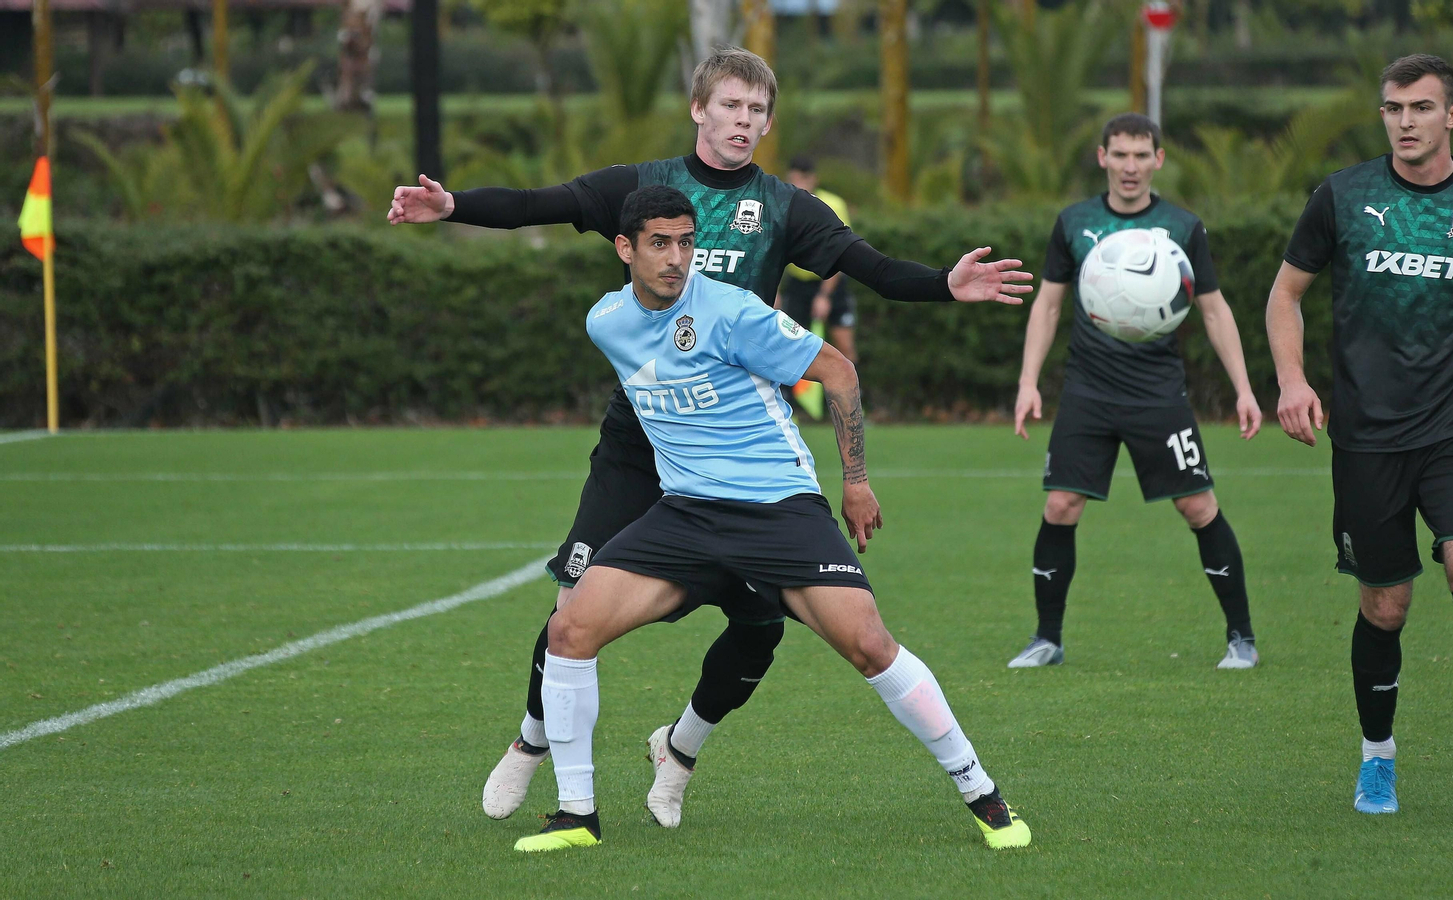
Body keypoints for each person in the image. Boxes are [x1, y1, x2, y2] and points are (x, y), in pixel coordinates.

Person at [387, 47, 1032, 829]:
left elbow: (871, 268)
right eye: (731, 106)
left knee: (761, 624)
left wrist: (944, 283)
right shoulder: (642, 188)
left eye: (758, 112)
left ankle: (680, 751)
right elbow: (540, 203)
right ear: (699, 109)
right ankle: (532, 745)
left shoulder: (785, 207)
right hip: (644, 440)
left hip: (739, 449)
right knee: (573, 609)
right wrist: (453, 206)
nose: (745, 123)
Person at [514, 184, 1032, 853]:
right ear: (625, 248)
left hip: (777, 508)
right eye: (660, 244)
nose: (677, 258)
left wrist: (855, 482)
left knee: (869, 645)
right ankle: (576, 816)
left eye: (687, 242)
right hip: (686, 515)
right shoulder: (605, 322)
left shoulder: (733, 312)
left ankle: (983, 794)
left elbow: (839, 372)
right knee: (569, 628)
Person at [1265, 54, 1453, 821]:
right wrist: (1293, 381)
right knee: (1386, 608)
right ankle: (1377, 761)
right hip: (1366, 439)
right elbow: (1285, 294)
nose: (1406, 121)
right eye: (1394, 108)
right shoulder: (1343, 196)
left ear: (1452, 116)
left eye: (1422, 108)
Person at [1012, 113, 1263, 672]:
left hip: (1157, 392)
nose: (1130, 166)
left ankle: (1241, 638)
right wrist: (1029, 382)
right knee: (1060, 504)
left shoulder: (1182, 225)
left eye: (1140, 155)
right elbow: (1049, 303)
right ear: (1102, 156)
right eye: (1119, 155)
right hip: (1088, 389)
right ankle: (1046, 639)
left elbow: (1215, 310)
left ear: (1158, 159)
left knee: (1198, 506)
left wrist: (1244, 388)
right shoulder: (1074, 222)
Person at [779, 156, 858, 362]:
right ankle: (791, 395)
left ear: (814, 179)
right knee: (791, 348)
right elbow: (775, 250)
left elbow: (841, 253)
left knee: (844, 346)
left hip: (830, 283)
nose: (798, 184)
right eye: (793, 178)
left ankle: (851, 392)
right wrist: (775, 291)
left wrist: (824, 295)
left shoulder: (833, 203)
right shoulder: (782, 203)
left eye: (803, 178)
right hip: (798, 286)